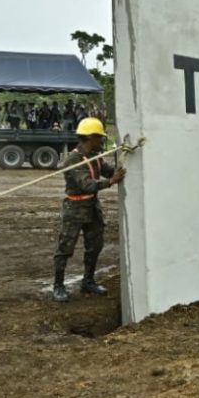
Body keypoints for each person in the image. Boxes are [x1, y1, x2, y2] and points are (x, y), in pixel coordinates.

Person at [54, 117, 126, 301]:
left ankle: (88, 281)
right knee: (65, 247)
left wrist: (124, 161)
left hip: (92, 207)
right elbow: (86, 184)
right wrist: (110, 182)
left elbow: (109, 171)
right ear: (90, 137)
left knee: (95, 245)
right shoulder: (73, 160)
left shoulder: (95, 157)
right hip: (75, 208)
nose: (101, 140)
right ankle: (58, 286)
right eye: (99, 137)